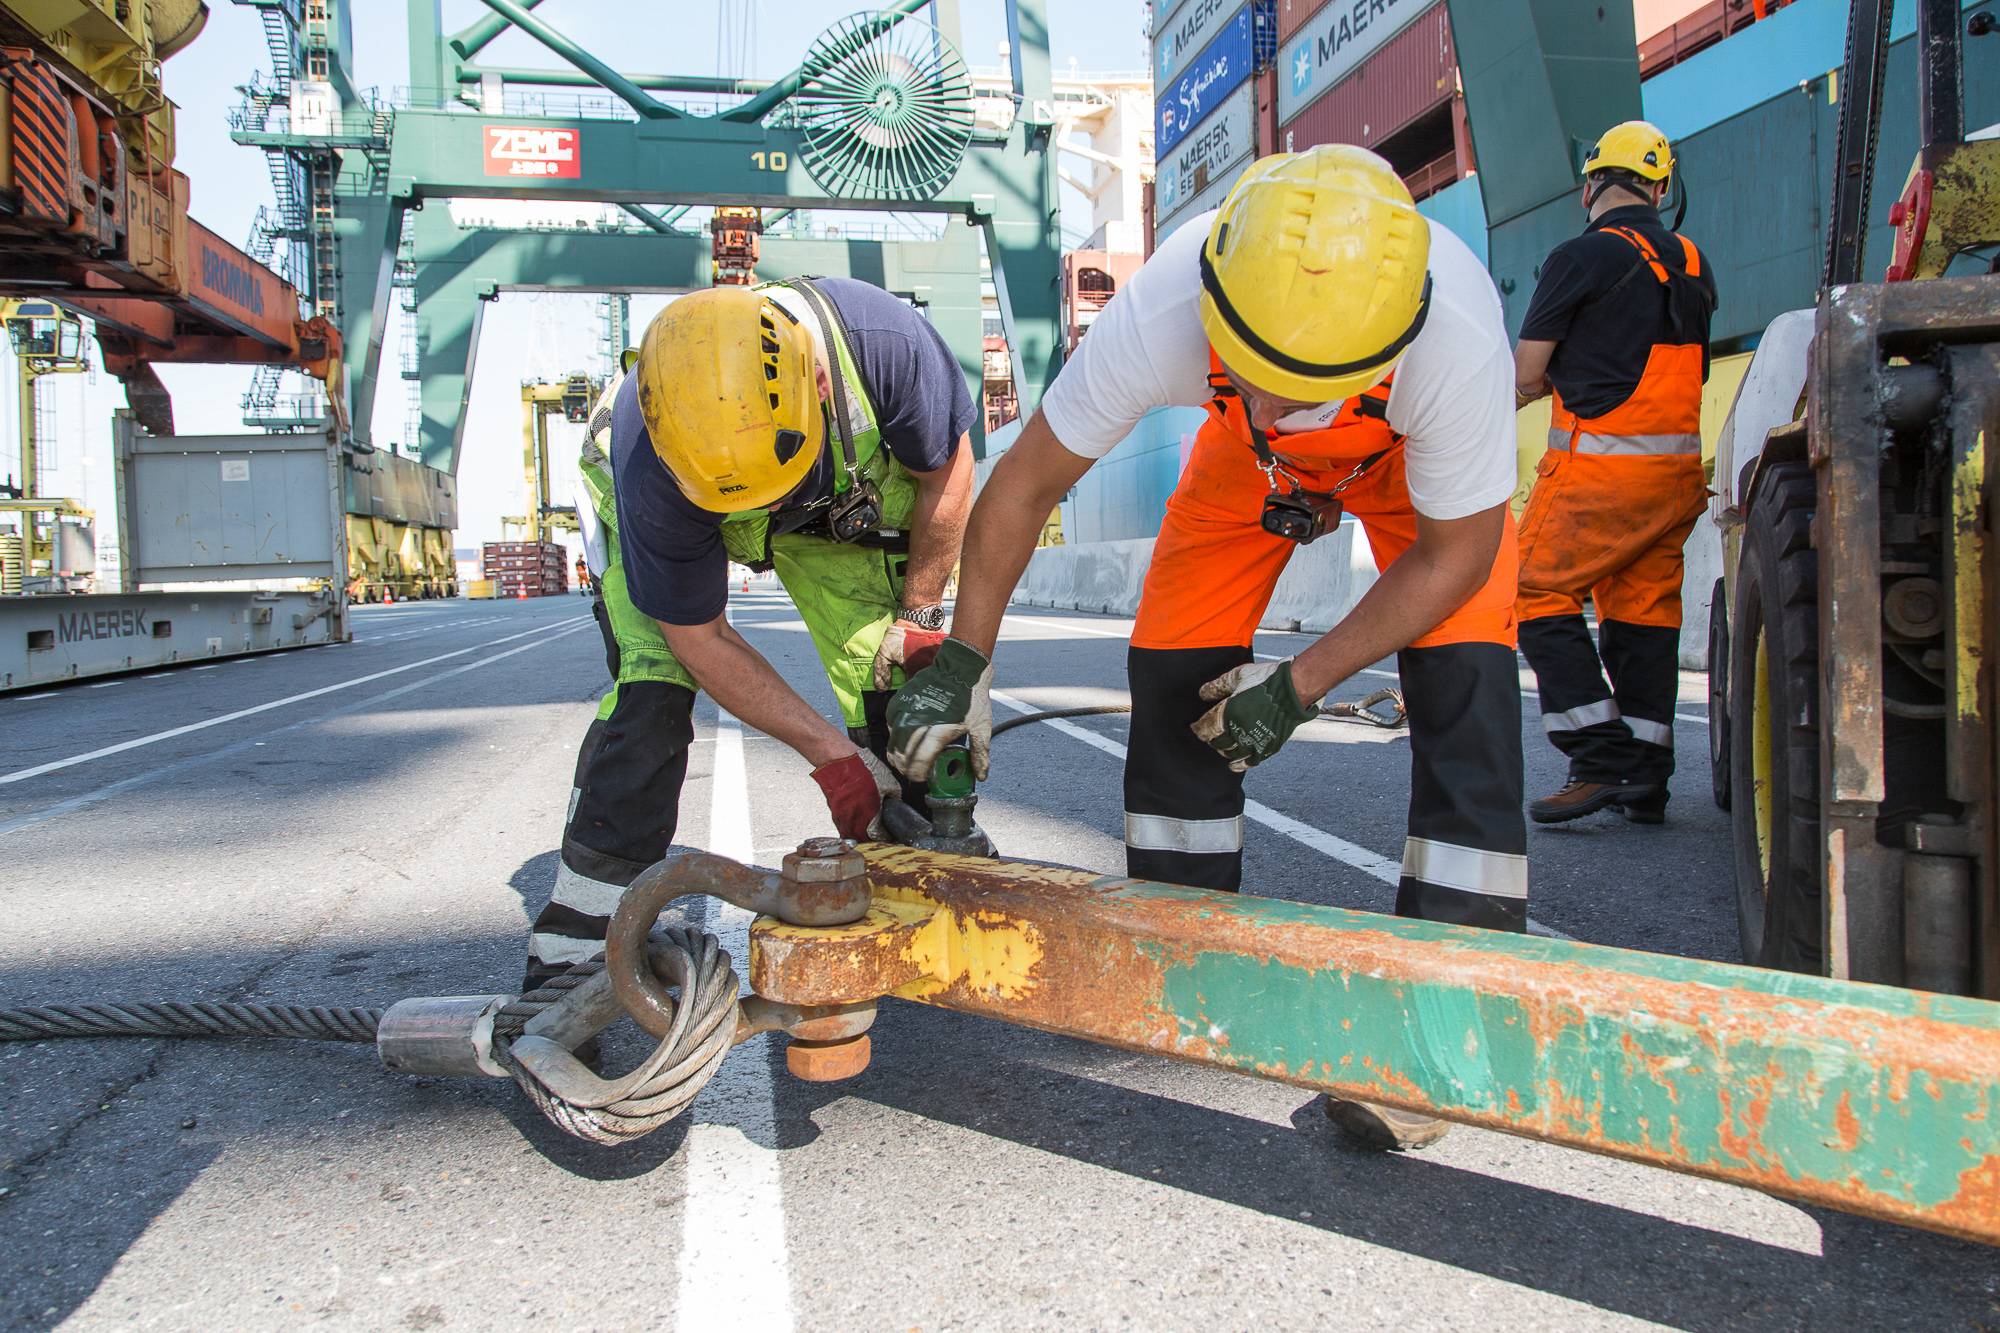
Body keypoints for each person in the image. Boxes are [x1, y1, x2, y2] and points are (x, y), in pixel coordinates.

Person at [888, 146, 1524, 1150]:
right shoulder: (1171, 298)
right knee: (1172, 660)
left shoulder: (1454, 343)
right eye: (1257, 379)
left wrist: (1299, 684)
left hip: (1410, 474)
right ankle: (1185, 953)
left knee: (1467, 688)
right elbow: (1022, 486)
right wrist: (964, 661)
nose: (1275, 406)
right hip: (1248, 472)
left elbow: (1452, 557)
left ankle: (1443, 1032)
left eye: (1298, 394)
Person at [523, 280, 975, 987]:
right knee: (650, 708)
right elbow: (699, 636)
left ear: (818, 383)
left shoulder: (886, 346)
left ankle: (924, 891)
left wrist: (919, 619)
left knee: (904, 703)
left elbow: (947, 471)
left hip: (828, 506)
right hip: (683, 508)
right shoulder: (650, 469)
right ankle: (570, 958)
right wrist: (833, 760)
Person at [1512, 120, 1717, 825]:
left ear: (1591, 184)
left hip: (1599, 475)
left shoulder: (1578, 258)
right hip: (1676, 481)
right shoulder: (1692, 260)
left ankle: (1601, 758)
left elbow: (1528, 374)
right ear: (1660, 188)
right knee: (1642, 615)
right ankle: (1648, 779)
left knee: (1529, 586)